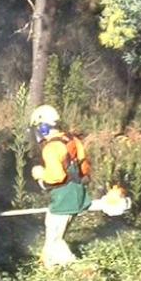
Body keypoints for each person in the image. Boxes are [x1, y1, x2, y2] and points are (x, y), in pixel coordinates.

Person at [29, 104, 92, 268]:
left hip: (64, 196)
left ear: (42, 127)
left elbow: (57, 176)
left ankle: (76, 268)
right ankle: (48, 263)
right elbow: (84, 165)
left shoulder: (50, 148)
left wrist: (40, 174)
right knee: (54, 234)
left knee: (55, 236)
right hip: (78, 193)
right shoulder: (72, 139)